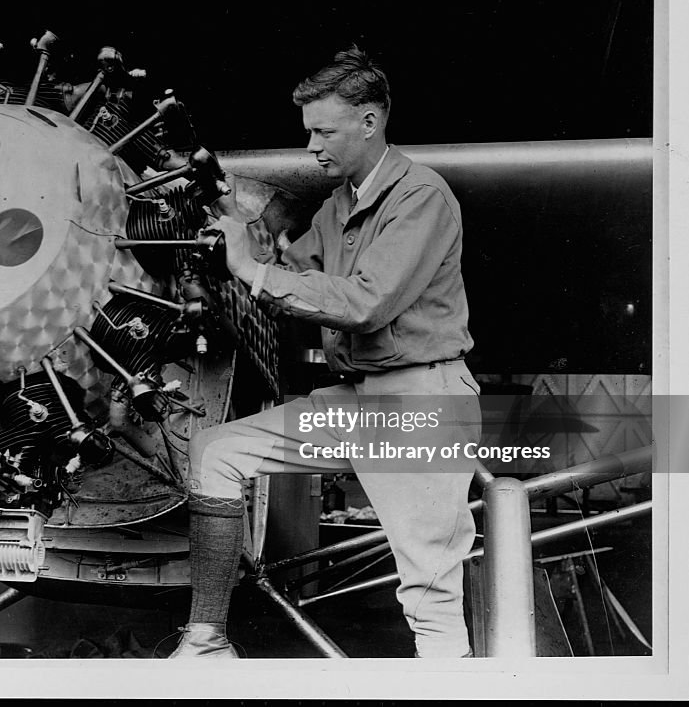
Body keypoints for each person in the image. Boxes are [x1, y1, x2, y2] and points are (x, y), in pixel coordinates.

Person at [170, 44, 481, 659]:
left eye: (323, 131)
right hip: (361, 399)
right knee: (216, 451)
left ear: (370, 122)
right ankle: (205, 642)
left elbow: (365, 304)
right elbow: (287, 270)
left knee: (429, 593)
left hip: (421, 399)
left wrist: (253, 272)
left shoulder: (421, 197)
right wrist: (231, 228)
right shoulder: (340, 205)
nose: (311, 145)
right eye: (308, 129)